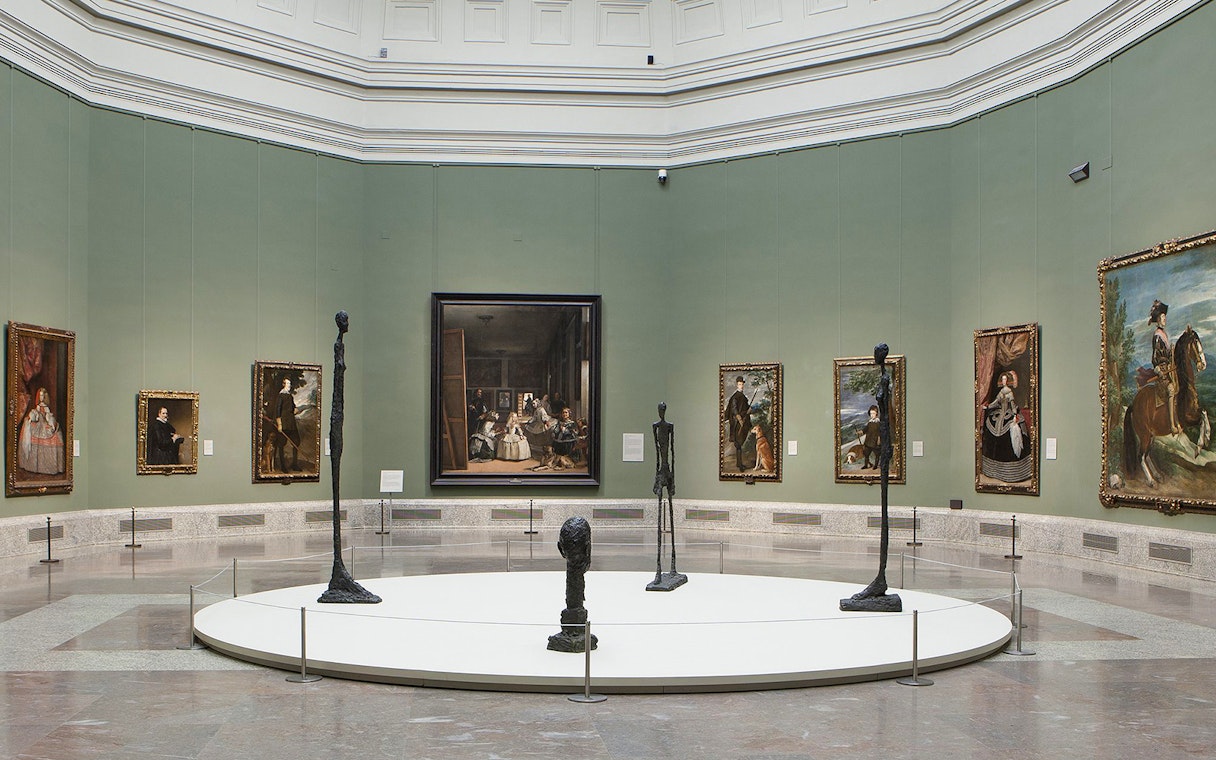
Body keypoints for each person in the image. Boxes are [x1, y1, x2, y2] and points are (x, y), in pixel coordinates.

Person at [980, 371, 1031, 482]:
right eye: (1002, 380)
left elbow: (1012, 405)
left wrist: (1014, 415)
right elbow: (995, 403)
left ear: (1008, 381)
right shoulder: (1001, 392)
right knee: (990, 424)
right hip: (999, 414)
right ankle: (992, 469)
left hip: (1009, 413)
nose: (1003, 382)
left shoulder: (1009, 392)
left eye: (1005, 380)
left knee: (1014, 432)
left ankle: (1014, 471)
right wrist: (987, 408)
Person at [1149, 299, 1182, 434]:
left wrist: (1172, 352)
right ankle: (1172, 425)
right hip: (1162, 371)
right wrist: (1159, 370)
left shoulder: (1164, 335)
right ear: (1158, 319)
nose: (1165, 319)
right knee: (1171, 389)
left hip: (1169, 369)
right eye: (1163, 317)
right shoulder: (1157, 336)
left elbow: (1167, 355)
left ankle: (1178, 419)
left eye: (1165, 317)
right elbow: (1155, 358)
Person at [18, 387, 65, 475]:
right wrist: (33, 416)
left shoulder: (46, 407)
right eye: (40, 396)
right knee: (28, 426)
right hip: (38, 424)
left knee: (56, 434)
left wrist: (49, 420)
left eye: (43, 396)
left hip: (44, 424)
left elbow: (48, 416)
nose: (41, 398)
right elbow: (35, 415)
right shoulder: (38, 407)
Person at [273, 377, 303, 472]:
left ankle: (294, 464)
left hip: (291, 423)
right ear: (283, 384)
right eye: (287, 384)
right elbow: (278, 410)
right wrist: (279, 424)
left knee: (296, 442)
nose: (289, 386)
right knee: (281, 444)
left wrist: (296, 410)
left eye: (290, 384)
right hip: (284, 423)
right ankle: (283, 466)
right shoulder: (281, 396)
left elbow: (293, 408)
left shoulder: (290, 396)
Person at [723, 376, 750, 471]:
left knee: (740, 443)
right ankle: (739, 465)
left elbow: (745, 408)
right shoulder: (735, 396)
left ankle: (739, 464)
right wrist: (739, 419)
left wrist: (749, 409)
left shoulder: (743, 396)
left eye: (742, 384)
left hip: (742, 421)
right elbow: (734, 409)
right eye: (739, 384)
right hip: (737, 423)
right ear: (737, 385)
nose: (741, 386)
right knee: (738, 443)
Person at [858, 405, 880, 469]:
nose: (872, 415)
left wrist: (879, 439)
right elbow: (866, 429)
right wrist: (861, 432)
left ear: (877, 414)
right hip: (868, 440)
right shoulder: (870, 423)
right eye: (871, 414)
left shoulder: (878, 423)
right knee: (866, 454)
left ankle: (875, 465)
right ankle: (866, 465)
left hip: (875, 441)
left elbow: (880, 432)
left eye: (873, 413)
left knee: (877, 454)